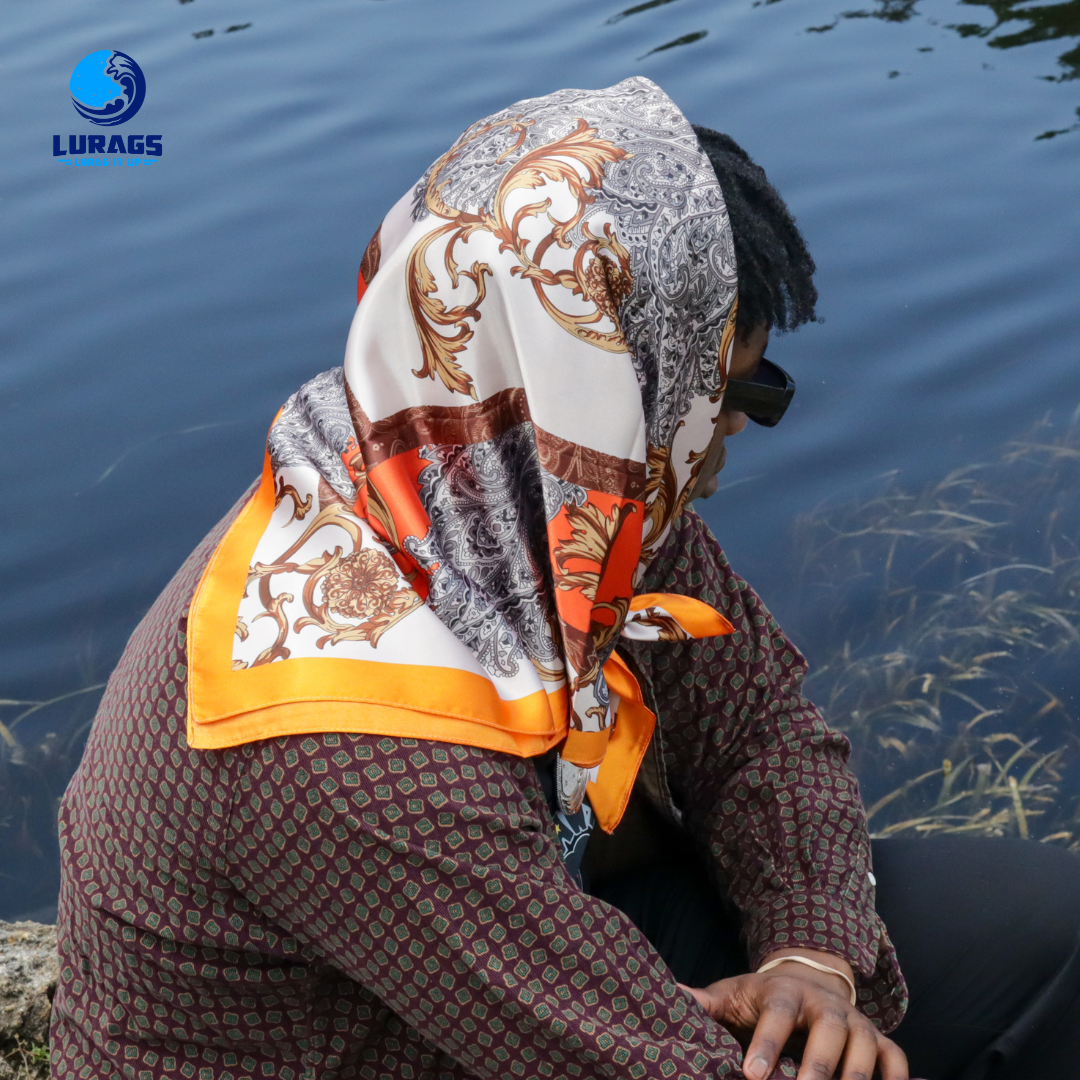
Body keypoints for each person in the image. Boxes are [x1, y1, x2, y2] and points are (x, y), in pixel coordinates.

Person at [49, 77, 1080, 1080]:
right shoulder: (349, 746)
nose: (734, 428)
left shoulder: (514, 466)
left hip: (519, 938)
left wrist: (810, 960)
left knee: (1049, 932)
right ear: (591, 373)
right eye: (730, 392)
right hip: (377, 1042)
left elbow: (761, 724)